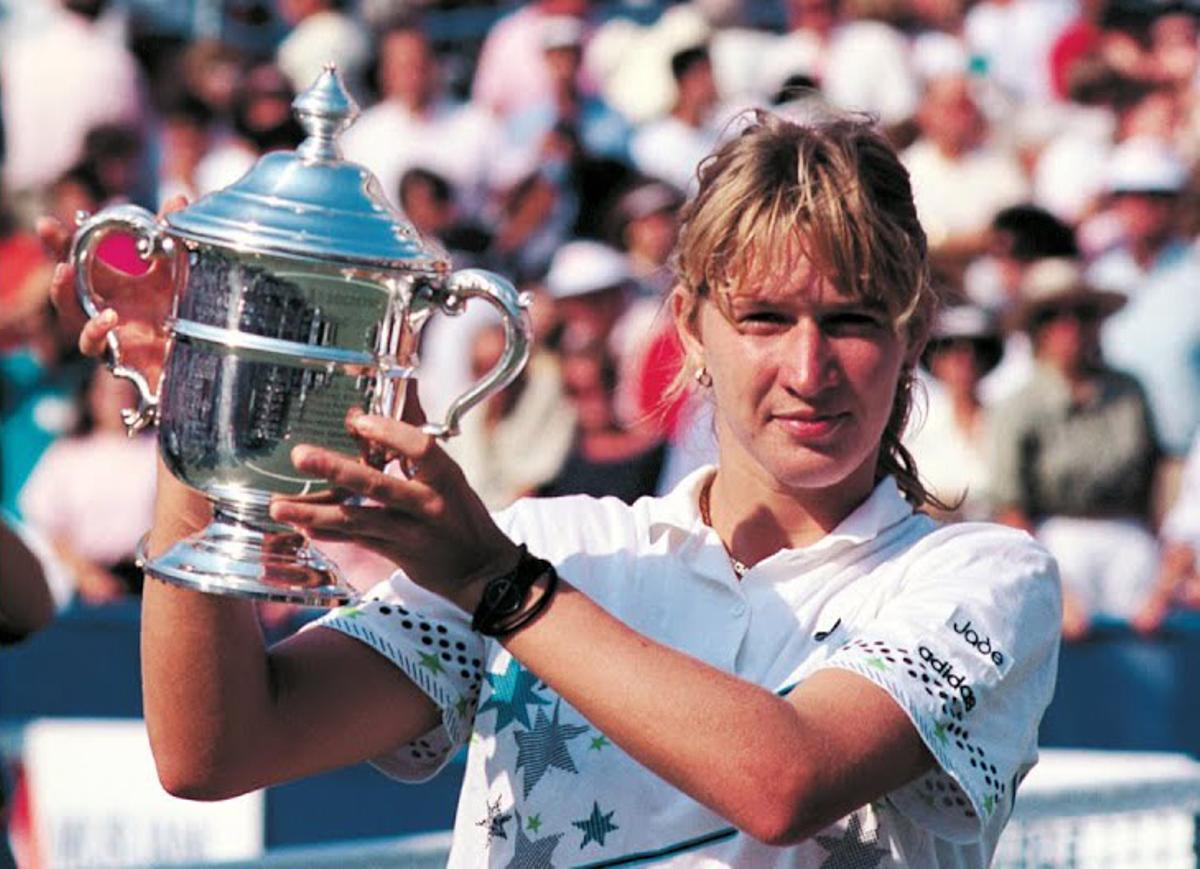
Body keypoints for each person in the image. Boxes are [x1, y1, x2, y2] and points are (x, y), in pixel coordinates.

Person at [44, 112, 1060, 867]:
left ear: (914, 336)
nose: (809, 365)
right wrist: (206, 402)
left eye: (852, 319)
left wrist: (499, 583)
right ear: (690, 326)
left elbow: (784, 779)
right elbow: (215, 747)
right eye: (763, 318)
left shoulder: (982, 573)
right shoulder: (556, 540)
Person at [988, 257, 1158, 641]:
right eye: (1054, 316)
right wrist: (1055, 585)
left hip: (1129, 539)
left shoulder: (1129, 392)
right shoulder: (1017, 404)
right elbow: (1010, 508)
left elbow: (1154, 484)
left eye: (1083, 314)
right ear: (1037, 329)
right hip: (1056, 540)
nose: (1071, 327)